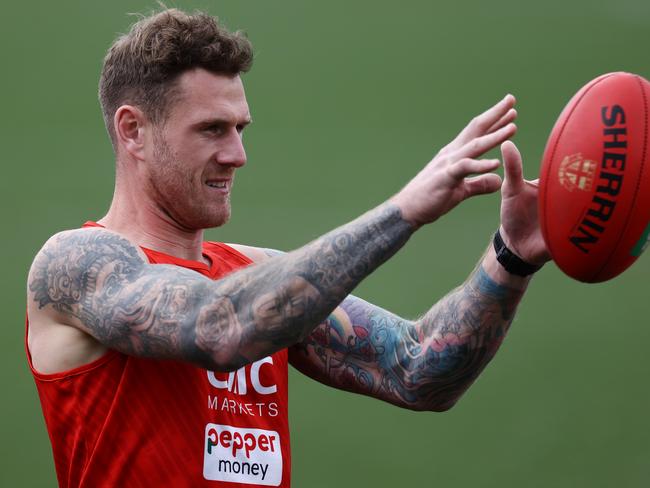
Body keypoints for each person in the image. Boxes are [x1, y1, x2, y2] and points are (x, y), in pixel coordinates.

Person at [26, 8, 549, 488]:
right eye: (212, 129)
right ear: (133, 130)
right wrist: (405, 209)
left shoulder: (255, 273)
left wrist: (511, 256)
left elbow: (417, 372)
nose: (237, 154)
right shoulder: (75, 265)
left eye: (239, 128)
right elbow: (219, 327)